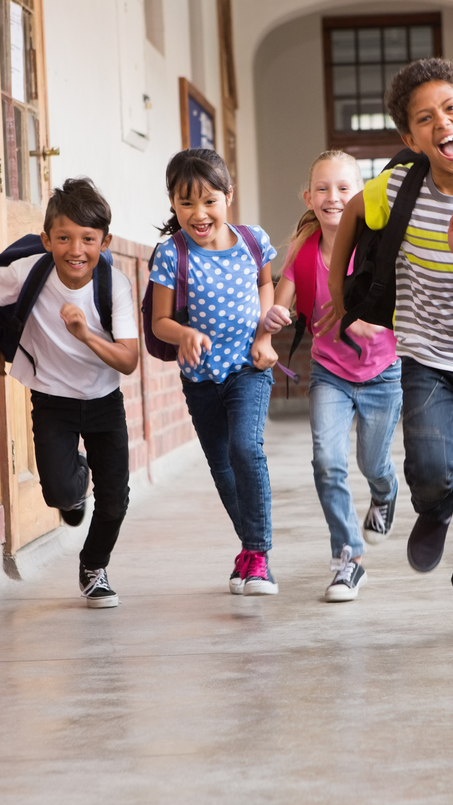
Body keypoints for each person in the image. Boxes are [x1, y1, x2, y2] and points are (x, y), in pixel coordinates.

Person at [319, 58, 453, 642]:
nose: (441, 122)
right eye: (424, 117)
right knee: (432, 469)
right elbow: (347, 222)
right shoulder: (396, 188)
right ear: (410, 138)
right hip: (429, 358)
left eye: (450, 109)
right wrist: (340, 292)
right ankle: (437, 509)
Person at [0, 177, 140, 609]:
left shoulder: (114, 285)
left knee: (115, 501)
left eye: (87, 238)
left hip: (104, 400)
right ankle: (74, 474)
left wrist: (85, 335)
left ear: (105, 241)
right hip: (52, 400)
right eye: (63, 237)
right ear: (47, 239)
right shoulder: (30, 271)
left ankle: (93, 567)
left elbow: (127, 360)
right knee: (60, 495)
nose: (75, 250)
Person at [262, 151, 401, 602]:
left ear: (360, 195)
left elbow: (404, 307)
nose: (332, 197)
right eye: (322, 188)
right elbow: (281, 303)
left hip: (382, 372)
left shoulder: (375, 246)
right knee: (327, 461)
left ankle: (385, 492)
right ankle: (348, 558)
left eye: (343, 188)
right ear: (308, 196)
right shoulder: (303, 249)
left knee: (371, 463)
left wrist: (365, 321)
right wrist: (275, 318)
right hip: (330, 374)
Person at [148, 148, 281, 596]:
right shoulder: (171, 253)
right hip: (200, 378)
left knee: (246, 448)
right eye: (186, 203)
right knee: (222, 467)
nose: (199, 214)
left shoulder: (252, 239)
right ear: (172, 203)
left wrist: (264, 336)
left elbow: (267, 284)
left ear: (229, 195)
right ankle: (248, 547)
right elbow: (159, 322)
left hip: (248, 368)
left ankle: (258, 556)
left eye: (209, 200)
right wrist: (182, 334)